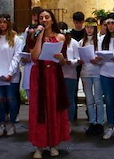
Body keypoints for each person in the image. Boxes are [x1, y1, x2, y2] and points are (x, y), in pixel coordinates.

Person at [28, 9, 70, 158]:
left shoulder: (60, 37)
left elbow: (64, 62)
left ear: (52, 20)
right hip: (39, 75)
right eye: (41, 18)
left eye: (47, 17)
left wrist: (60, 58)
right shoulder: (34, 35)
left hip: (53, 75)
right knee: (39, 109)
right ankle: (39, 146)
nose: (44, 20)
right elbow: (34, 57)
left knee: (53, 108)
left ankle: (53, 143)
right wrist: (39, 37)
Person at [79, 17, 104, 135]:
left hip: (97, 72)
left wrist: (98, 60)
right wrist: (80, 60)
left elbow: (104, 58)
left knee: (98, 99)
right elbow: (78, 57)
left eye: (91, 27)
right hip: (85, 73)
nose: (89, 30)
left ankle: (100, 122)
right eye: (87, 27)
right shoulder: (81, 42)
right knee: (89, 99)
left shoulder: (100, 41)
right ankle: (92, 122)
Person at [58, 22, 79, 124]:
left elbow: (78, 59)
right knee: (58, 100)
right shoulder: (56, 42)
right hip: (58, 74)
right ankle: (60, 121)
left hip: (70, 74)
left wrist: (71, 62)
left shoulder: (73, 43)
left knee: (69, 99)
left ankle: (69, 122)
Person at [71, 11, 85, 121]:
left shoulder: (86, 33)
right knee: (73, 89)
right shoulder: (70, 34)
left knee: (87, 90)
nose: (78, 25)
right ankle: (73, 114)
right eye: (76, 22)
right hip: (74, 65)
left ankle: (89, 114)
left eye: (80, 22)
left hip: (85, 65)